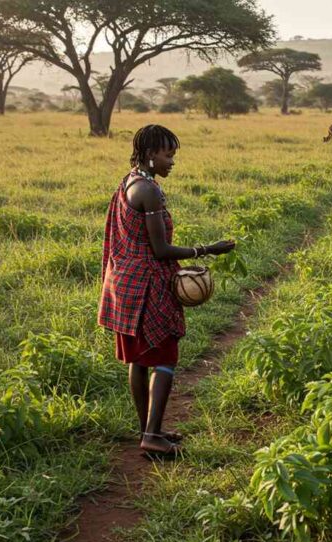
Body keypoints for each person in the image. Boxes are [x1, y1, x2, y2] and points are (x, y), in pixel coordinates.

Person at [98, 124, 235, 457]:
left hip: (125, 283)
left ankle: (149, 429)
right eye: (167, 155)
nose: (172, 161)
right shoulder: (149, 191)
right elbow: (161, 250)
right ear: (150, 154)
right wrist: (206, 250)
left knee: (139, 360)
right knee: (163, 357)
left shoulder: (128, 181)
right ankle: (152, 436)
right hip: (147, 285)